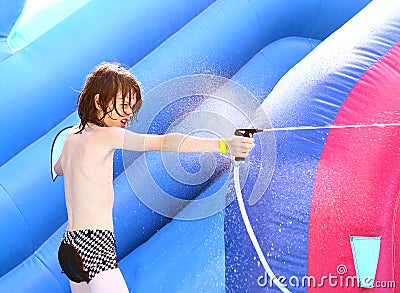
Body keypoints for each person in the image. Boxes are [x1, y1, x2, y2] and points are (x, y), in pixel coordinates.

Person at [54, 62, 255, 293]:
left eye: (131, 106)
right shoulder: (107, 135)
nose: (129, 113)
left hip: (70, 247)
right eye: (122, 105)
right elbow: (163, 142)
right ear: (99, 102)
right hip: (94, 245)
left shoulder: (71, 136)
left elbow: (60, 169)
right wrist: (223, 145)